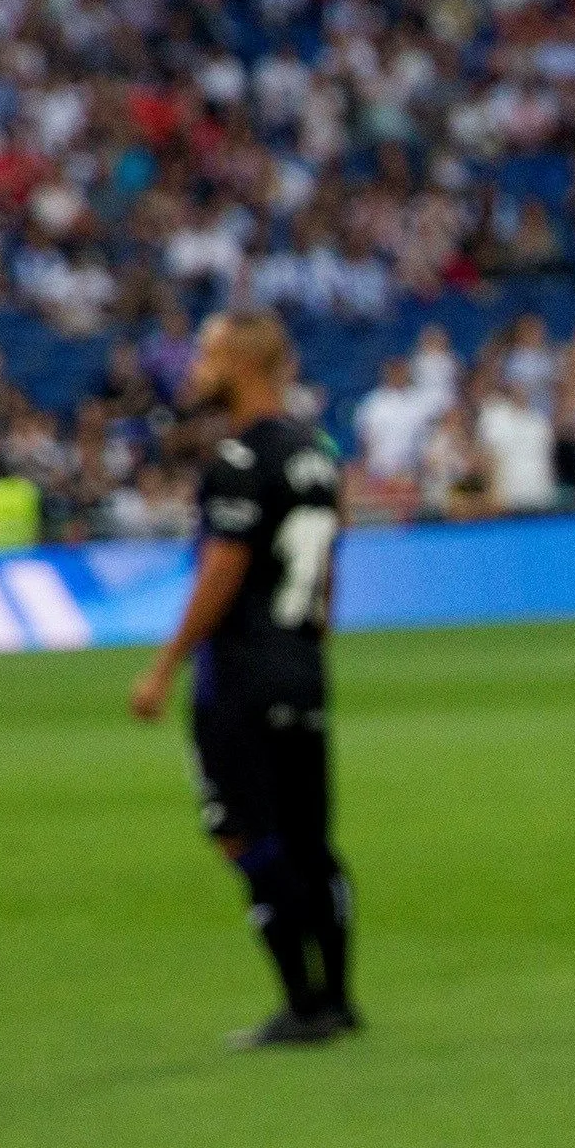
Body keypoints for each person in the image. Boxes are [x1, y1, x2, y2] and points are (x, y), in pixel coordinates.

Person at [127, 311, 358, 1050]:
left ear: (243, 363)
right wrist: (311, 633)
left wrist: (165, 665)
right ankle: (340, 998)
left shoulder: (237, 459)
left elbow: (222, 568)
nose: (196, 365)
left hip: (241, 677)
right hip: (302, 668)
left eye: (208, 352)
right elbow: (328, 571)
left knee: (245, 835)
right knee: (311, 840)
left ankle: (302, 1005)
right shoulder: (315, 454)